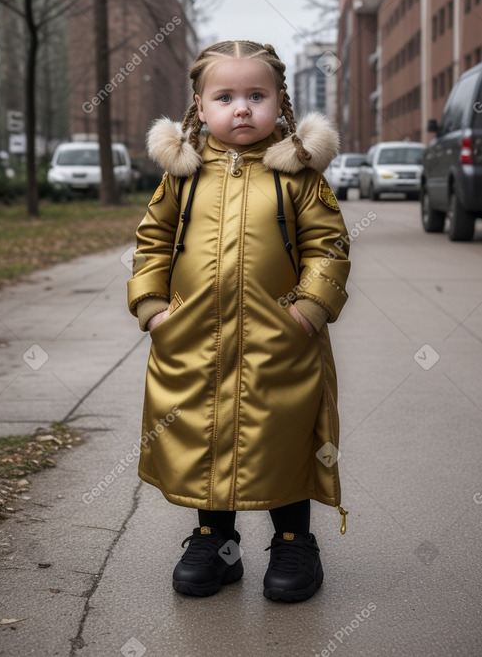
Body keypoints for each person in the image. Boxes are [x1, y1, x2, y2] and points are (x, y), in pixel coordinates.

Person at [127, 40, 350, 603]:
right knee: (206, 433)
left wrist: (309, 311)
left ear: (281, 103)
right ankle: (214, 543)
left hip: (281, 341)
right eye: (225, 97)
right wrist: (153, 309)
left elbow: (329, 245)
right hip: (192, 338)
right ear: (201, 108)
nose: (242, 108)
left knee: (282, 433)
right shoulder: (184, 175)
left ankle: (295, 541)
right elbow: (152, 242)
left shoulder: (298, 175)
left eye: (257, 95)